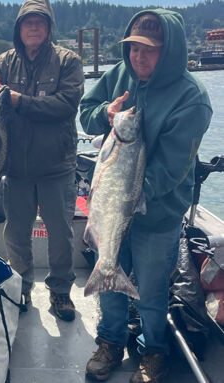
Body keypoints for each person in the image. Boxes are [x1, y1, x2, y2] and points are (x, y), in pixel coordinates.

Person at [80, 9, 212, 383]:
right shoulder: (120, 74)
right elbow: (86, 113)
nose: (139, 56)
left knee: (152, 293)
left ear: (168, 51)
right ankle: (110, 342)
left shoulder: (192, 98)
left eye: (149, 50)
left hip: (157, 216)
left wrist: (127, 199)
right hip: (111, 209)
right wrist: (104, 114)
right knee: (109, 282)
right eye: (134, 47)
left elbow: (171, 169)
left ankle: (154, 350)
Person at [0, 0, 84, 321]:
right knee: (16, 234)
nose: (34, 27)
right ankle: (21, 286)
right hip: (16, 169)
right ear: (19, 28)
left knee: (61, 235)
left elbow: (64, 105)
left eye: (40, 22)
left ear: (50, 27)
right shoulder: (2, 62)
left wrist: (18, 101)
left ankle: (61, 292)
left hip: (56, 168)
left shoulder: (69, 61)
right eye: (28, 22)